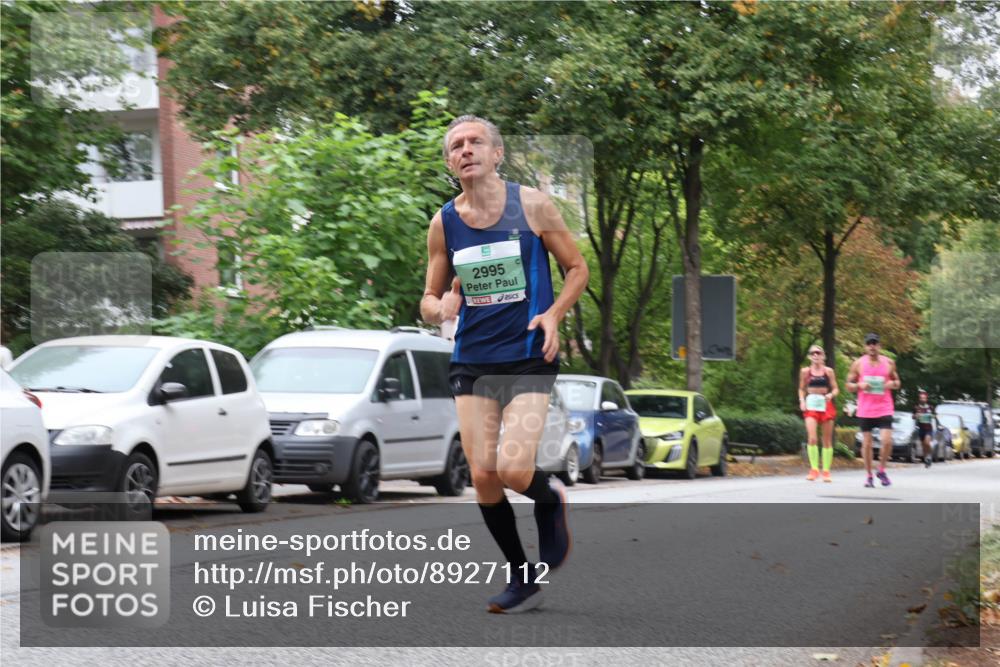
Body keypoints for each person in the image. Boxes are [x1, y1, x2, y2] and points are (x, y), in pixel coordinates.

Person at [420, 115, 589, 613]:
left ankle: (548, 497)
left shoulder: (533, 205)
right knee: (484, 474)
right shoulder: (443, 222)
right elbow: (429, 299)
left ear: (497, 154)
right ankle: (521, 575)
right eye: (456, 145)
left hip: (529, 355)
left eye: (475, 142)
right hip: (472, 359)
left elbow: (577, 268)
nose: (465, 149)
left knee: (515, 468)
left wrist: (555, 313)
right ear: (451, 162)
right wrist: (440, 309)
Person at [846, 333, 901, 488]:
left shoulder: (889, 362)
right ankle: (869, 475)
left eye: (875, 343)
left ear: (879, 346)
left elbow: (897, 382)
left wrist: (891, 384)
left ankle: (881, 469)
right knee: (867, 443)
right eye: (869, 343)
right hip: (866, 409)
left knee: (887, 441)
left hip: (884, 407)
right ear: (865, 346)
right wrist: (859, 386)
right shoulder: (858, 364)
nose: (872, 346)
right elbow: (848, 385)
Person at [798, 345, 840, 482]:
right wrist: (802, 401)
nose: (816, 355)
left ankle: (826, 471)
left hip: (825, 404)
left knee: (826, 440)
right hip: (811, 404)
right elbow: (801, 388)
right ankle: (814, 469)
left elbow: (835, 389)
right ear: (809, 356)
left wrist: (830, 395)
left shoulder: (828, 371)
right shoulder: (805, 371)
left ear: (823, 356)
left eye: (818, 353)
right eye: (813, 353)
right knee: (812, 438)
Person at [912, 389, 934, 468]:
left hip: (929, 428)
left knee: (927, 443)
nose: (922, 399)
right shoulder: (916, 407)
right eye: (921, 398)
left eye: (924, 398)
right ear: (919, 399)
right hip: (920, 429)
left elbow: (935, 416)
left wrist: (932, 416)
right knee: (923, 446)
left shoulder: (930, 407)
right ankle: (926, 459)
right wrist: (916, 416)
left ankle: (930, 455)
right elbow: (913, 417)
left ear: (926, 399)